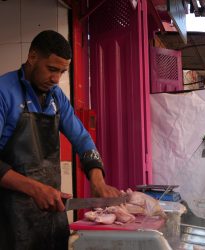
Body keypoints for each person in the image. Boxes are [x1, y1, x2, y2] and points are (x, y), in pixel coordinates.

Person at [0, 30, 121, 250]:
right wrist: (35, 189)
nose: (56, 79)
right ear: (33, 57)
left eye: (62, 72)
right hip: (9, 218)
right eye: (52, 69)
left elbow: (82, 138)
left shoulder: (56, 96)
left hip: (51, 211)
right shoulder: (4, 92)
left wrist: (97, 180)